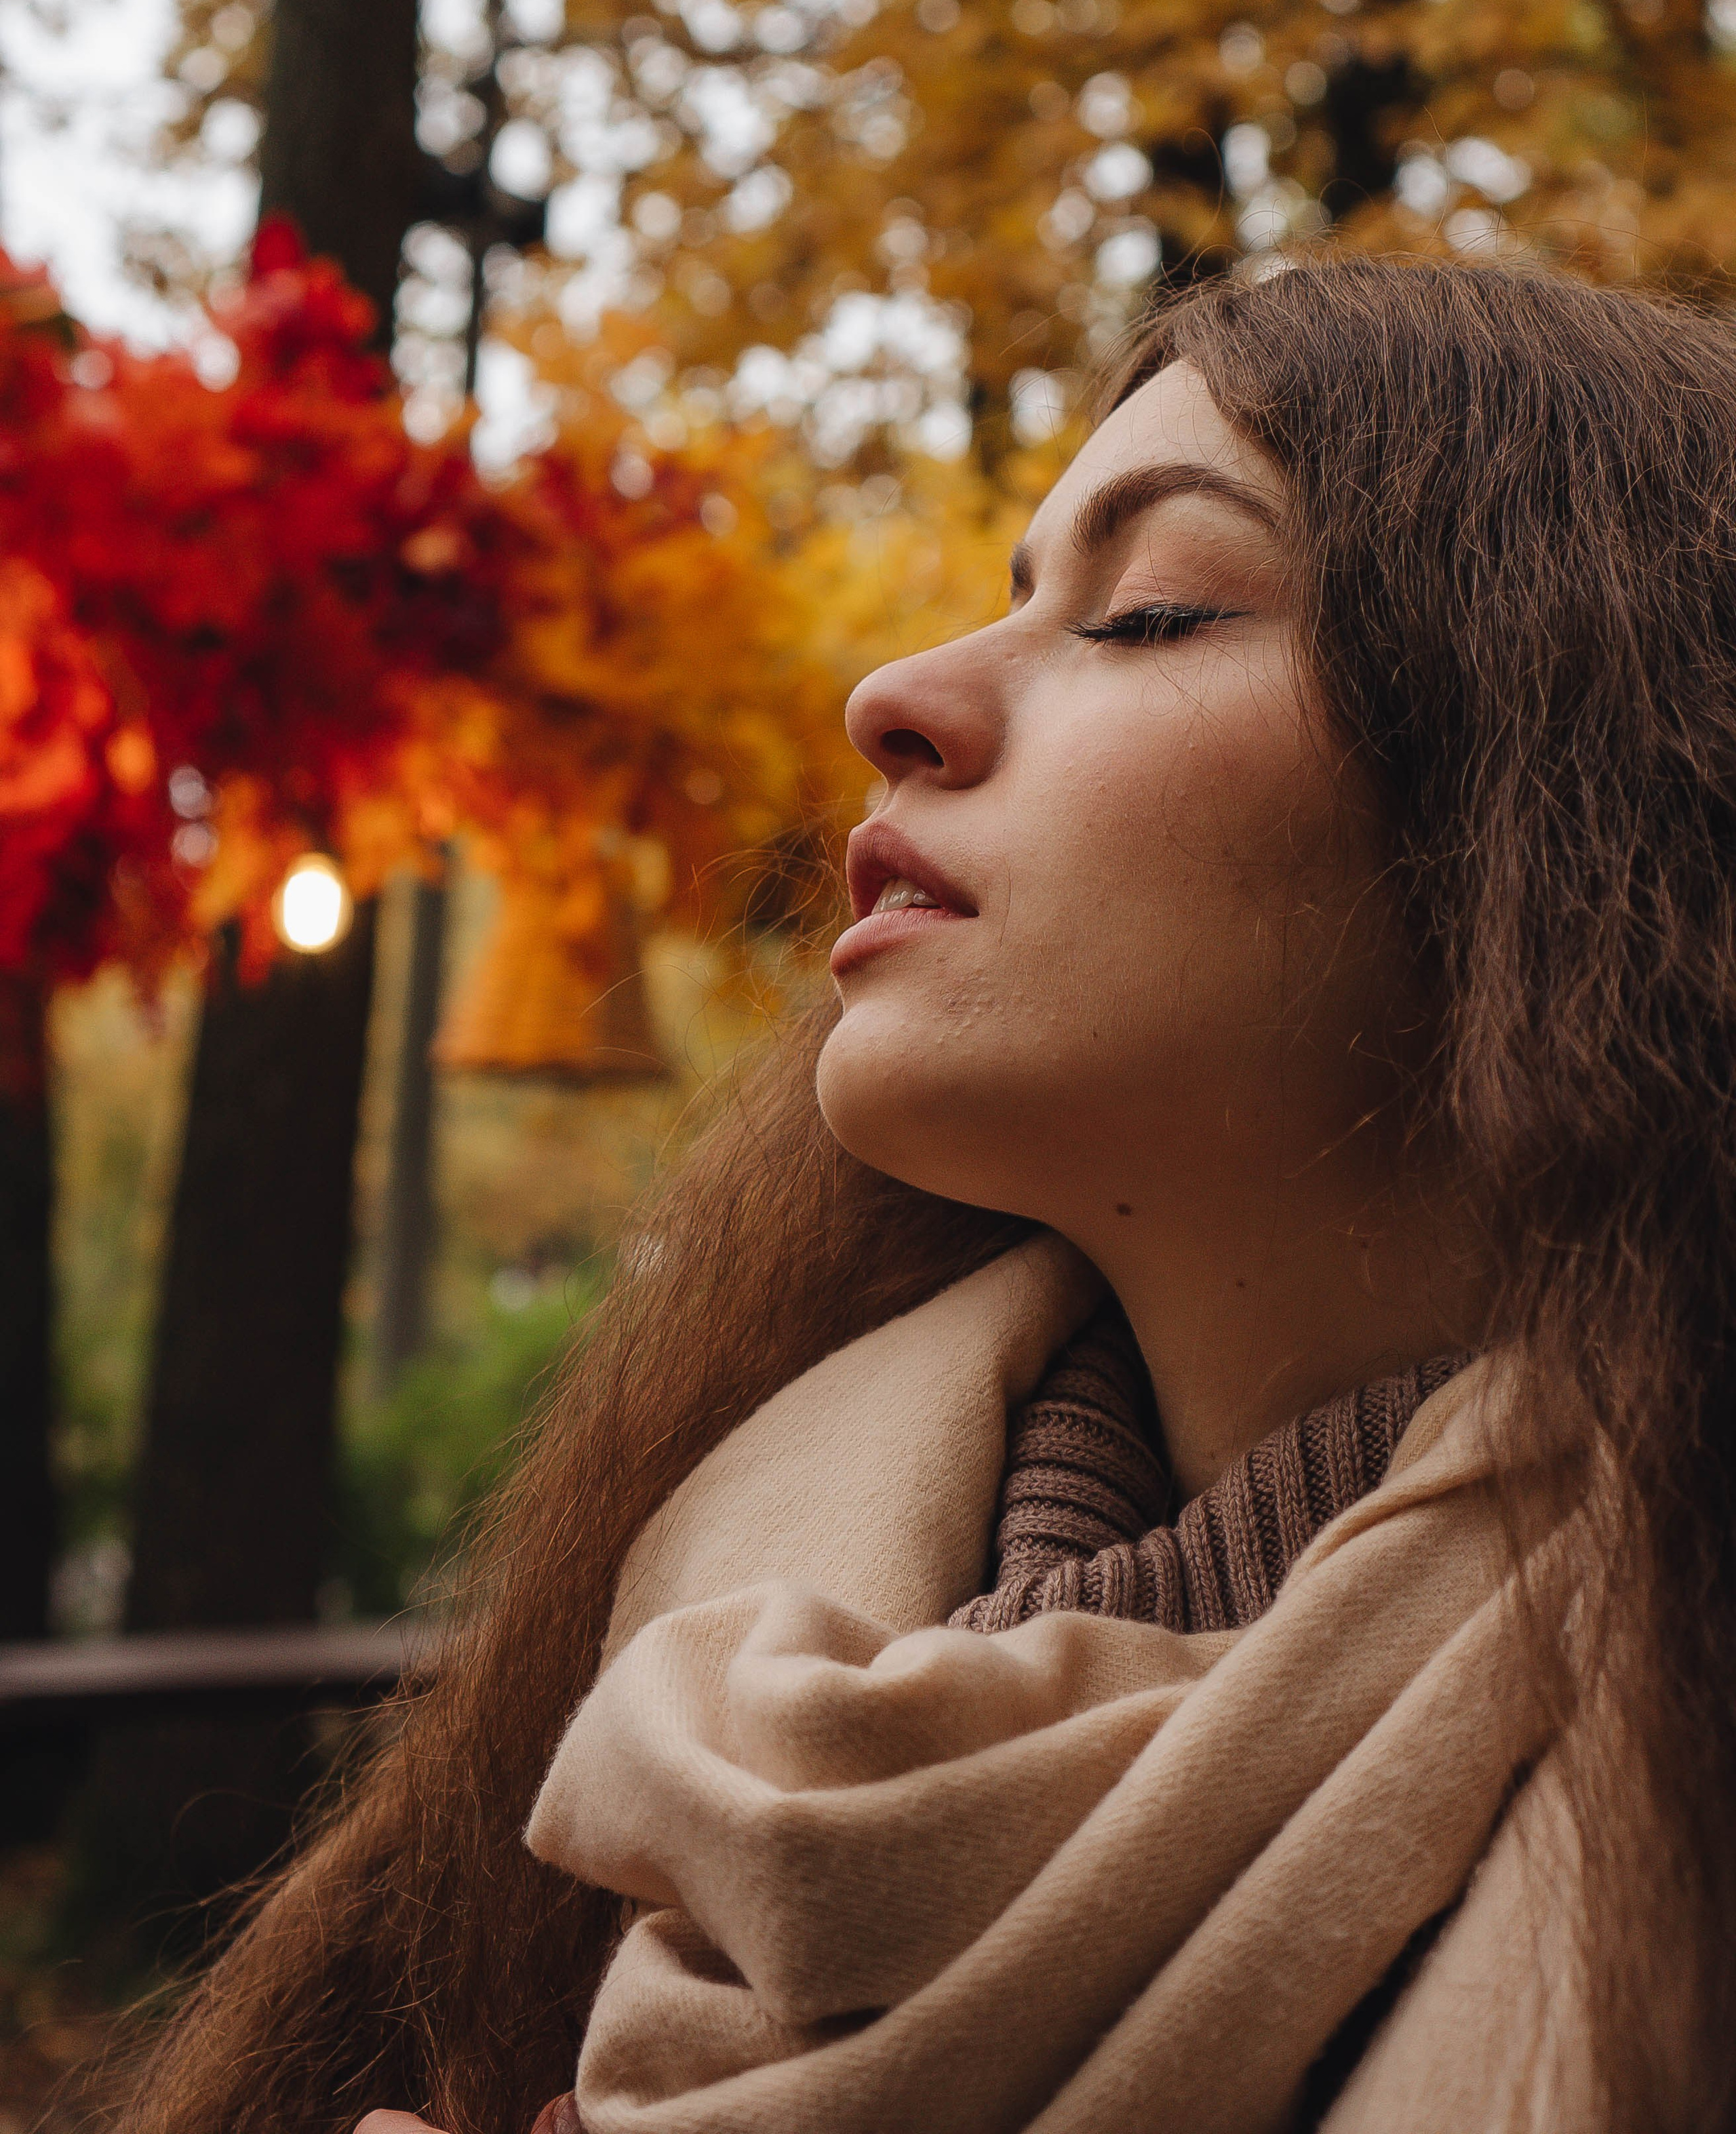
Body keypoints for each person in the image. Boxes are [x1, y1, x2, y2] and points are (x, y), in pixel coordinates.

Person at [131, 259, 1736, 2134]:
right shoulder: (672, 1654)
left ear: (1583, 824)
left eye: (1151, 612)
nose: (891, 695)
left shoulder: (1680, 1757)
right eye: (1013, 596)